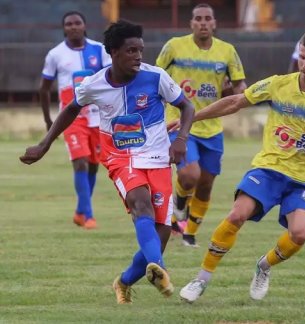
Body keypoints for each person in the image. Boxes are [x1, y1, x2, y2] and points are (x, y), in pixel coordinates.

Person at [20, 20, 195, 303]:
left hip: (158, 157)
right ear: (113, 52)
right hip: (119, 157)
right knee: (141, 204)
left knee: (161, 232)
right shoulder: (94, 84)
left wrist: (181, 139)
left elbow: (187, 106)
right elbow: (70, 110)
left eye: (140, 49)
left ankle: (124, 281)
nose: (138, 56)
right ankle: (160, 269)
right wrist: (44, 144)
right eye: (130, 51)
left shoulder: (156, 76)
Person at [179, 30, 305, 303]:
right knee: (237, 214)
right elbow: (235, 101)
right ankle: (202, 278)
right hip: (270, 168)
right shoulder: (278, 84)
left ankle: (264, 266)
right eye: (302, 57)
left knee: (300, 233)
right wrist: (191, 118)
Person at [156, 3, 247, 247]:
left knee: (205, 184)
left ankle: (189, 233)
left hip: (211, 127)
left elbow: (239, 85)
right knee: (189, 175)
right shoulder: (174, 46)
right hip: (178, 121)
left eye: (208, 18)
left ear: (214, 23)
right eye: (199, 18)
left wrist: (240, 95)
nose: (203, 22)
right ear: (191, 23)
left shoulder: (227, 51)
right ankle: (179, 206)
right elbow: (155, 76)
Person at [40, 11, 112, 229]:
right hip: (72, 116)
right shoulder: (55, 54)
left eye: (77, 23)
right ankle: (89, 215)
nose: (73, 27)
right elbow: (44, 89)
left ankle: (80, 212)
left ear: (84, 25)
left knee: (93, 166)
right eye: (68, 24)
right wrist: (48, 120)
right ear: (64, 29)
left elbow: (111, 77)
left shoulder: (100, 50)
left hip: (97, 116)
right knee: (79, 161)